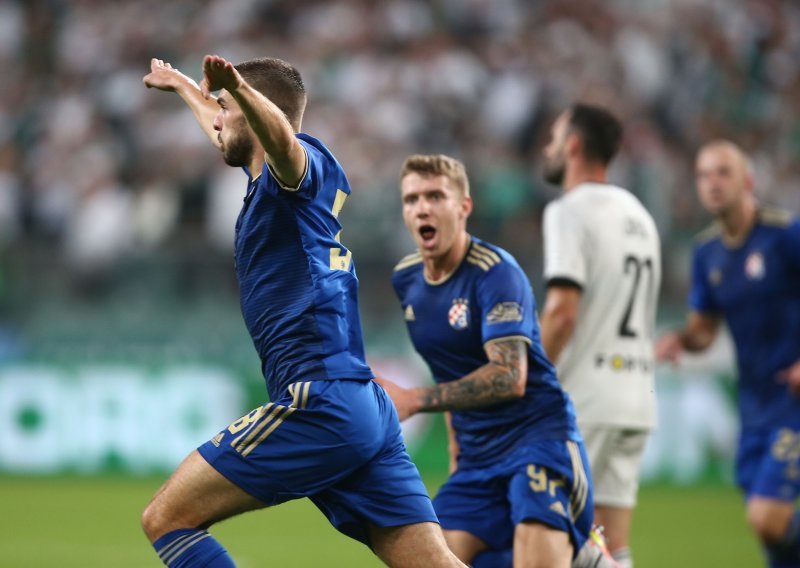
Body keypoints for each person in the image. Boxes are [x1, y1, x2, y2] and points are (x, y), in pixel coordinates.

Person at [140, 55, 467, 568]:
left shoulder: (299, 171)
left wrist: (240, 90)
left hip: (320, 400)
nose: (217, 118)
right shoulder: (269, 186)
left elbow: (281, 141)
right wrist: (186, 87)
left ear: (256, 108)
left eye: (224, 107)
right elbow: (232, 132)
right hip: (362, 405)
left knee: (166, 519)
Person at [377, 154, 616, 568]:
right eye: (412, 199)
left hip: (538, 443)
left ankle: (579, 553)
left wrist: (415, 399)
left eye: (436, 196)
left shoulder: (495, 273)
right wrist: (457, 452)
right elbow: (448, 365)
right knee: (429, 560)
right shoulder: (408, 279)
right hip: (477, 461)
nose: (423, 208)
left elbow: (509, 376)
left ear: (463, 207)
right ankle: (584, 559)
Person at [656, 139, 800, 568]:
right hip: (753, 403)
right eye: (704, 175)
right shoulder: (706, 252)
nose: (712, 183)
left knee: (768, 517)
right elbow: (705, 329)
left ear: (748, 181)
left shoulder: (784, 234)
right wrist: (682, 339)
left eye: (723, 172)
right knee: (770, 534)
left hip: (793, 403)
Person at [538, 103, 662, 568]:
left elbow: (563, 312)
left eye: (553, 138)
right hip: (636, 398)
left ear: (573, 144)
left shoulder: (569, 211)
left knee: (551, 537)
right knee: (612, 545)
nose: (548, 148)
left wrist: (530, 378)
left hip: (585, 399)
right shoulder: (639, 215)